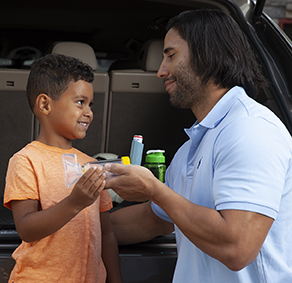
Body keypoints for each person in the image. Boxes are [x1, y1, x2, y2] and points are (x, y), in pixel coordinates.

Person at [104, 9, 292, 283]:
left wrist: (154, 189)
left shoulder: (251, 130)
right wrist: (75, 224)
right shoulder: (192, 147)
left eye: (171, 55)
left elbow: (237, 247)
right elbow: (153, 219)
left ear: (208, 54)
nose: (161, 71)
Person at [4, 54, 122, 283]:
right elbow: (26, 228)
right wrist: (74, 203)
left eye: (90, 104)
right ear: (45, 104)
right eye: (80, 102)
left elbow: (106, 233)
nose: (88, 112)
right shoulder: (26, 160)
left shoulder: (92, 165)